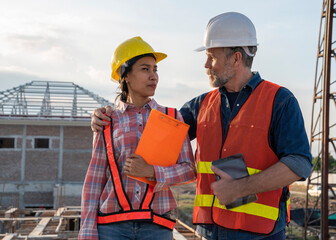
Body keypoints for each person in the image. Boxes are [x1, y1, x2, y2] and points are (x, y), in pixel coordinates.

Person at [91, 13, 312, 240]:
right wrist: (107, 114)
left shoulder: (279, 101)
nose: (206, 65)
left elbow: (299, 163)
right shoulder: (200, 105)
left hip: (260, 233)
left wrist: (241, 188)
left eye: (211, 57)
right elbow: (146, 128)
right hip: (210, 231)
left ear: (236, 58)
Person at [78, 36, 196, 240]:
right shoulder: (108, 119)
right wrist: (87, 231)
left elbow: (188, 170)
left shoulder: (171, 117)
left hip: (156, 226)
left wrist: (152, 172)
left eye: (155, 69)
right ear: (126, 76)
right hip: (111, 227)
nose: (153, 76)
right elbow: (95, 179)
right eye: (145, 69)